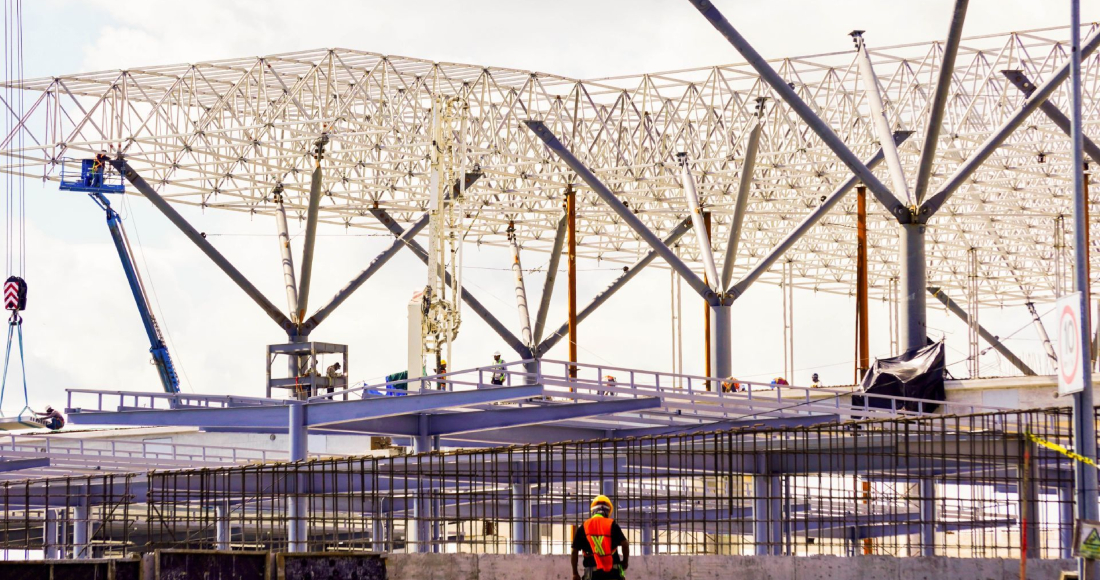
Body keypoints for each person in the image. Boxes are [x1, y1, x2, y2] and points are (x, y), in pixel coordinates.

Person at [571, 495, 629, 580]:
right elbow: (625, 544)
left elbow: (574, 551)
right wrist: (625, 562)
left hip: (592, 575)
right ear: (608, 512)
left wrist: (575, 573)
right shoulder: (612, 524)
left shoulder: (583, 527)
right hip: (613, 574)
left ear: (593, 511)